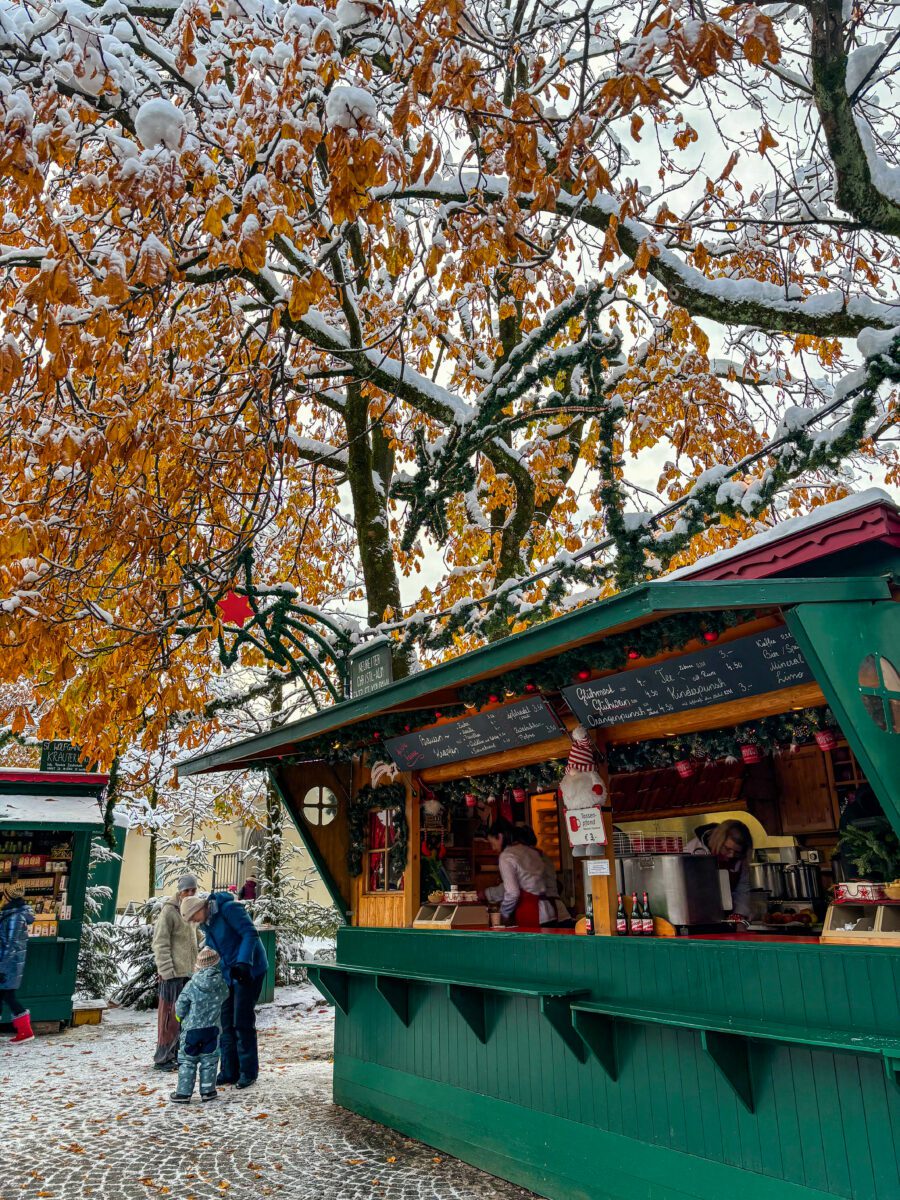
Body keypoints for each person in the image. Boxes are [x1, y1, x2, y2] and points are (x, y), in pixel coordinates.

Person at [181, 890, 268, 1090]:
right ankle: (229, 1070)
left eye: (194, 917)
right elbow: (214, 949)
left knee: (242, 1021)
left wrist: (244, 962)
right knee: (225, 1021)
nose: (195, 922)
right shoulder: (207, 923)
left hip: (249, 969)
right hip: (228, 973)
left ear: (200, 909)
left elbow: (250, 933)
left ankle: (248, 1072)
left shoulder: (229, 909)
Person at [151, 873, 200, 1070]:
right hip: (172, 974)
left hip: (189, 973)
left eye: (193, 890)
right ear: (179, 891)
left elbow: (195, 936)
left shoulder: (191, 910)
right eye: (186, 890)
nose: (189, 893)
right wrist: (166, 970)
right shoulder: (169, 912)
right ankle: (163, 1057)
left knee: (184, 1017)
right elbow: (160, 943)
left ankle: (178, 1053)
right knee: (169, 1018)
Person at [170, 946, 230, 1104]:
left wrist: (179, 1017)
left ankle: (183, 1093)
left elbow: (181, 1004)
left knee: (188, 1061)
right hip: (212, 1030)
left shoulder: (191, 984)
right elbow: (226, 995)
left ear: (199, 966)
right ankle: (208, 1091)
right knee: (209, 1061)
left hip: (192, 1030)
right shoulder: (221, 983)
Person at [483, 821, 560, 928]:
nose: (493, 848)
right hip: (549, 911)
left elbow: (512, 892)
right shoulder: (532, 851)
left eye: (492, 843)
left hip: (531, 912)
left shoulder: (506, 856)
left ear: (499, 837)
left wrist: (504, 914)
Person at [685, 819, 753, 922]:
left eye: (737, 852)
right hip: (695, 915)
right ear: (718, 840)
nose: (731, 855)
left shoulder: (740, 859)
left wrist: (739, 915)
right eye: (727, 849)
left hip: (725, 916)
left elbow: (742, 889)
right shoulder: (693, 850)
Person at [0, 881, 35, 1044]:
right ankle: (25, 1031)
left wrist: (1, 967)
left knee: (8, 996)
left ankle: (26, 1031)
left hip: (8, 965)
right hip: (9, 964)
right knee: (5, 996)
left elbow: (11, 944)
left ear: (8, 897)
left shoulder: (14, 916)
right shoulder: (13, 913)